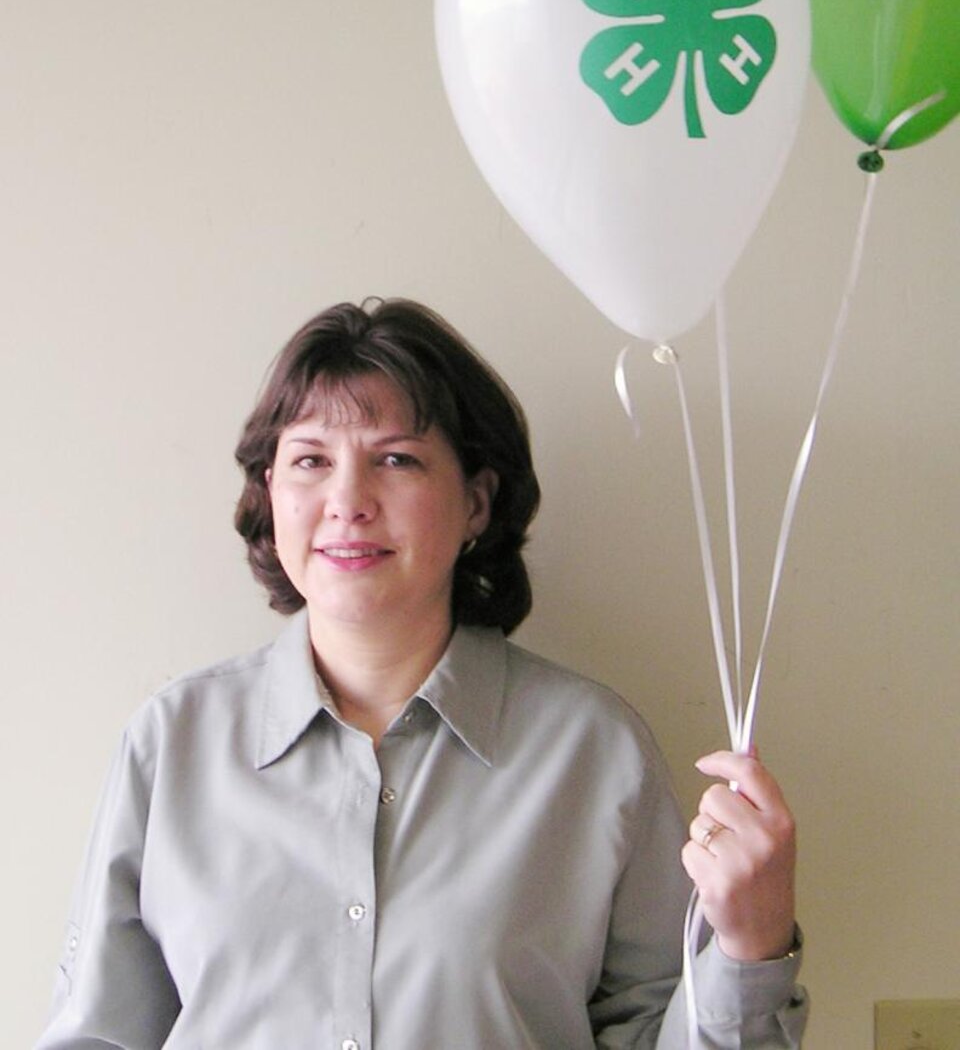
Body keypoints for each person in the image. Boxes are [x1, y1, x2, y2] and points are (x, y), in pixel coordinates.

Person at [37, 298, 807, 1049]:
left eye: (396, 459)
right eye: (310, 460)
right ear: (269, 491)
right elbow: (99, 1033)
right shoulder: (174, 743)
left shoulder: (592, 751)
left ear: (476, 501)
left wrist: (752, 944)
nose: (347, 502)